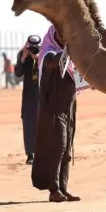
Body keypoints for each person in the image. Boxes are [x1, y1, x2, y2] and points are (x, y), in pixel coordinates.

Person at [31, 25, 82, 202]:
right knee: (57, 146)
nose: (63, 38)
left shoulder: (70, 56)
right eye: (61, 35)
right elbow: (53, 63)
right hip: (52, 108)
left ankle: (63, 188)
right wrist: (70, 48)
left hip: (68, 106)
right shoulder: (48, 53)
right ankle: (53, 189)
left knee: (67, 147)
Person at [14, 36, 41, 164]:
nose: (34, 49)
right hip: (29, 95)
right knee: (29, 124)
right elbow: (18, 73)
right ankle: (30, 154)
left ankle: (43, 153)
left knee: (44, 124)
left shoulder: (46, 53)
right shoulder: (22, 54)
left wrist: (39, 58)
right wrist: (23, 58)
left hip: (43, 94)